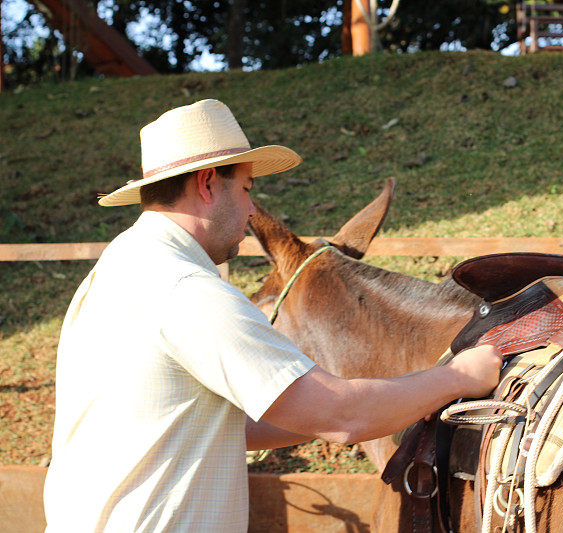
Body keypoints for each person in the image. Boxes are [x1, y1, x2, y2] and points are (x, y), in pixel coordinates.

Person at [43, 99, 502, 532]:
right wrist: (458, 377)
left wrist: (390, 403)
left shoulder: (115, 273)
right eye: (245, 189)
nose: (248, 209)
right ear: (207, 184)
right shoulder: (189, 291)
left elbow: (217, 424)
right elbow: (342, 417)